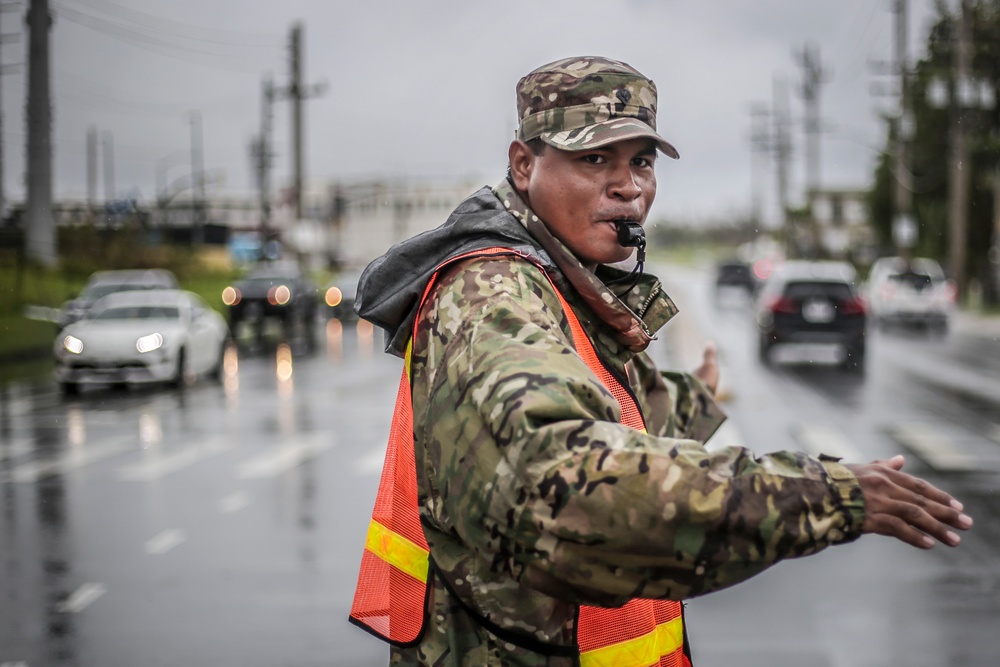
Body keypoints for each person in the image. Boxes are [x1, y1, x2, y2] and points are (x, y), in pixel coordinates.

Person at [349, 56, 973, 667]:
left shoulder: (559, 279)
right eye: (594, 159)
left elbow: (600, 397)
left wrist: (692, 396)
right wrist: (830, 494)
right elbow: (562, 484)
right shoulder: (496, 296)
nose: (629, 186)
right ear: (523, 163)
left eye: (641, 162)